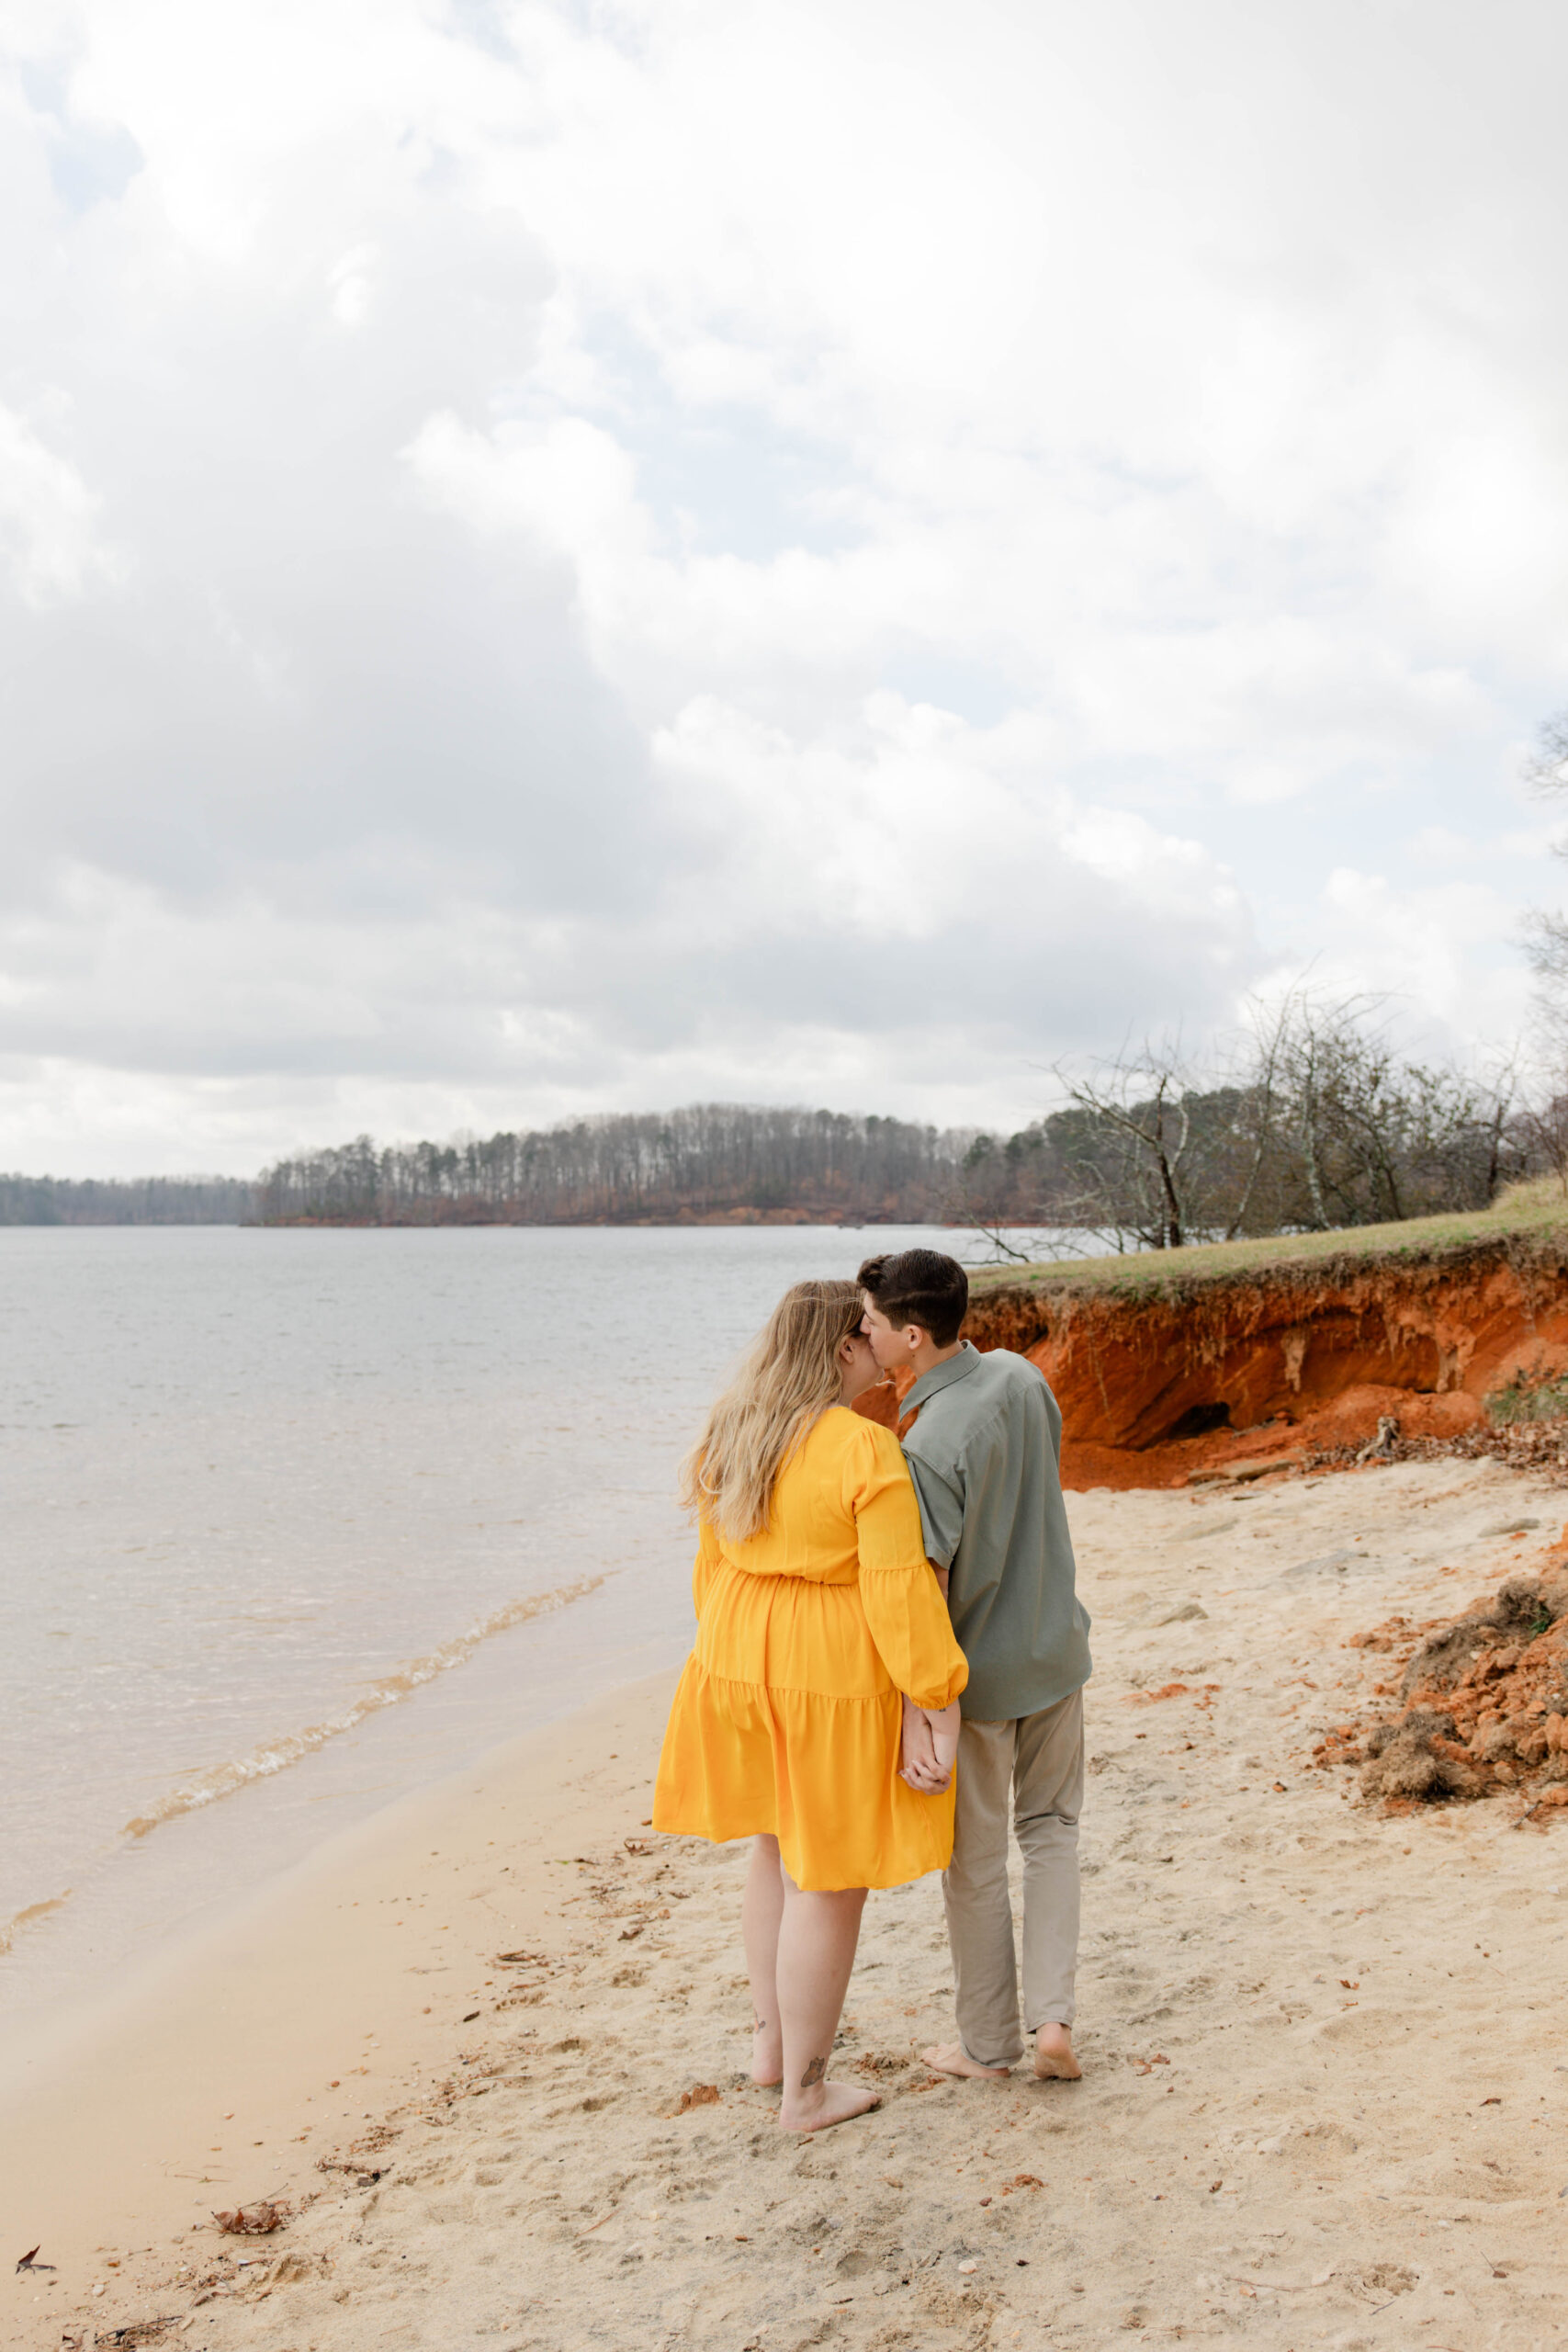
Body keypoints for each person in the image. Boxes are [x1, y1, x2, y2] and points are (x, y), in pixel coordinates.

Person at [653, 1279, 969, 2133]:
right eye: (868, 1335)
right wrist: (934, 1697)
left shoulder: (734, 1428)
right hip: (824, 1666)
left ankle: (770, 2050)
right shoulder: (859, 1447)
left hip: (731, 1654)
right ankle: (805, 2091)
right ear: (841, 1350)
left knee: (772, 1849)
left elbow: (708, 1568)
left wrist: (728, 1656)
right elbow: (899, 1589)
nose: (881, 1348)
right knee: (827, 1880)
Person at [859, 1248, 1092, 2083]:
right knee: (1055, 1833)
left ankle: (988, 2045)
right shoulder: (1023, 1379)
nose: (863, 1334)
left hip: (983, 1677)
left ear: (912, 1336)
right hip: (1056, 1648)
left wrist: (919, 1706)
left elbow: (931, 1583)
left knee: (976, 1864)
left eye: (873, 1325)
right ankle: (1055, 2021)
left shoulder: (926, 1446)